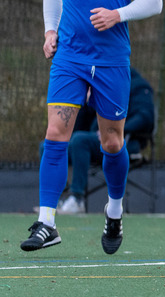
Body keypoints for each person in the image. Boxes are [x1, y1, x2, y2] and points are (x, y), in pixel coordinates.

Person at [23, 0, 163, 254]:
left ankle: (114, 212)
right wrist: (50, 30)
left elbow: (154, 0)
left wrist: (119, 13)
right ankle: (47, 222)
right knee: (55, 133)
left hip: (111, 61)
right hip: (69, 56)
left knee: (111, 142)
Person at [52, 68, 155, 214]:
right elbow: (79, 127)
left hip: (124, 142)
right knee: (51, 146)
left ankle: (77, 199)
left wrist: (116, 131)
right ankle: (58, 197)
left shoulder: (138, 86)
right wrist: (85, 103)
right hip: (94, 141)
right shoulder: (99, 84)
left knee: (80, 140)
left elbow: (145, 117)